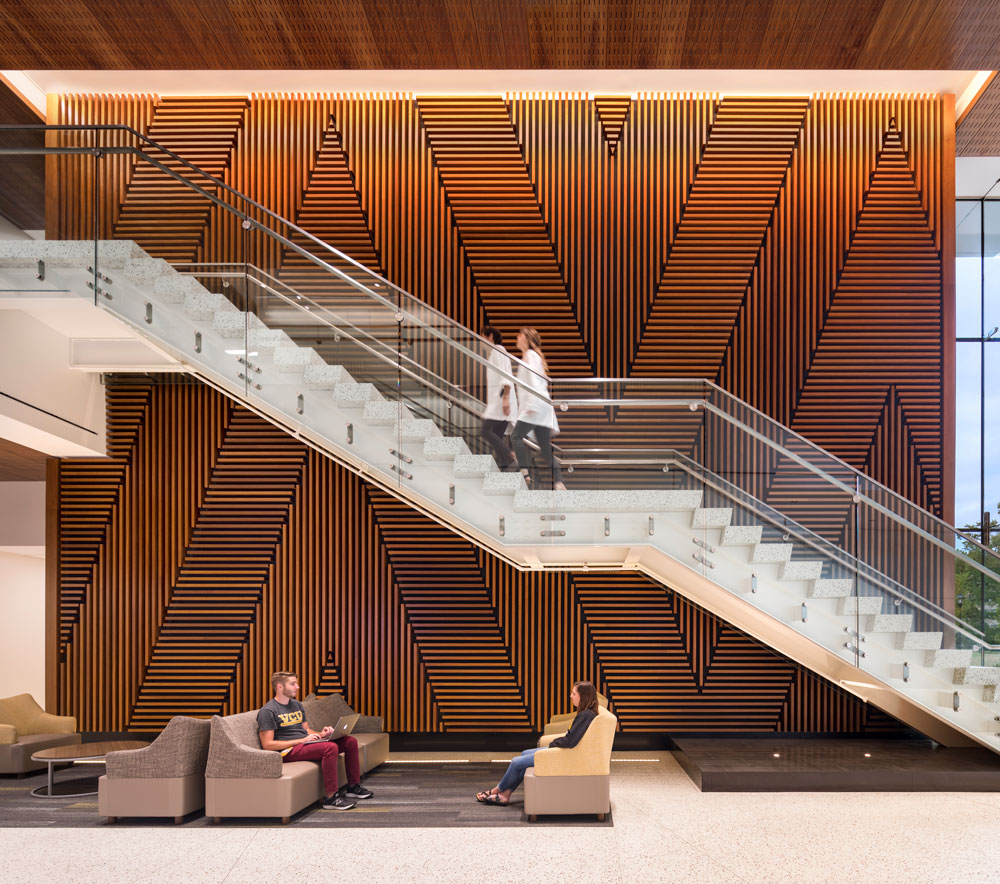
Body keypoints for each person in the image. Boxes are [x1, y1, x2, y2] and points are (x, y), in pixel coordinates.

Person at [257, 671, 373, 811]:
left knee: (350, 742)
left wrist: (321, 734)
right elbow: (268, 745)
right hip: (287, 751)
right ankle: (330, 798)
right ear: (280, 687)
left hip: (303, 743)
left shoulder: (296, 705)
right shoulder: (268, 711)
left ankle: (353, 787)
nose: (297, 687)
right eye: (293, 684)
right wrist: (301, 741)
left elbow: (306, 730)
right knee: (330, 748)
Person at [475, 681, 600, 806]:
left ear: (583, 696)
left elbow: (570, 741)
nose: (570, 696)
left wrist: (553, 743)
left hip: (562, 754)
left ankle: (497, 790)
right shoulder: (586, 713)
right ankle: (505, 795)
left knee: (516, 762)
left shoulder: (585, 715)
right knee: (524, 753)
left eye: (573, 693)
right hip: (562, 750)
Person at [510, 327, 566, 490]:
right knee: (545, 447)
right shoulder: (531, 356)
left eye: (520, 335)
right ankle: (558, 482)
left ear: (527, 338)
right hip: (540, 406)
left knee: (516, 436)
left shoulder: (530, 355)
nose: (517, 337)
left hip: (535, 405)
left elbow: (534, 380)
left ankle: (524, 473)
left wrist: (531, 406)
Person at [480, 325, 518, 471]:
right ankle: (506, 468)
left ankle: (510, 456)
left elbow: (506, 375)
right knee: (497, 436)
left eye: (483, 337)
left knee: (485, 431)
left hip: (501, 401)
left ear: (490, 337)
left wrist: (506, 398)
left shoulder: (498, 350)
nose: (481, 341)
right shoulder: (495, 353)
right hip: (499, 400)